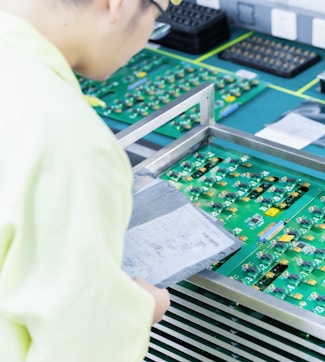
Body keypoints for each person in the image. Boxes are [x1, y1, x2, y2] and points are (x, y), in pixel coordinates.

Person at [0, 0, 178, 360]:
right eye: (158, 14)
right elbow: (82, 348)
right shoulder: (67, 140)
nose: (147, 36)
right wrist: (139, 310)